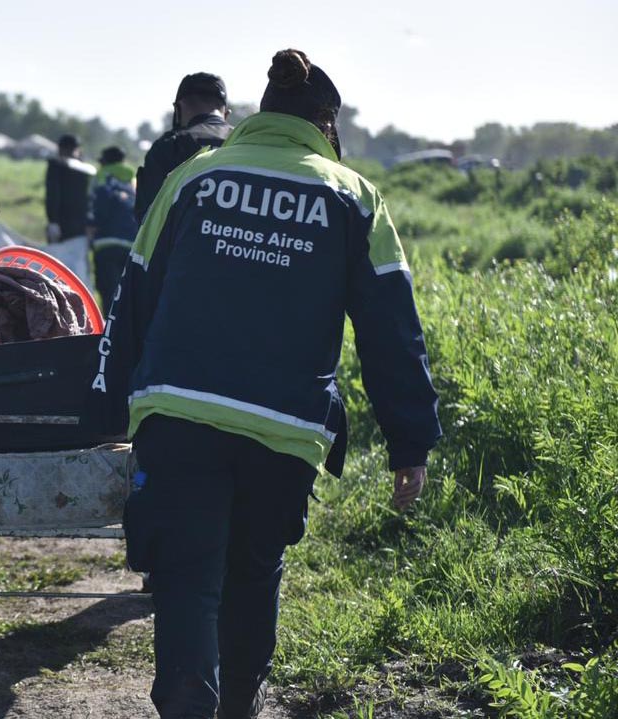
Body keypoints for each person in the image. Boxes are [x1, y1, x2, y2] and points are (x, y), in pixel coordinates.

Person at [90, 49, 441, 718]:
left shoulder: (195, 175)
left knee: (187, 574)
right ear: (326, 124)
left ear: (263, 112)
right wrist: (410, 441)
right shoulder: (352, 197)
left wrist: (106, 406)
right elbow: (392, 327)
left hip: (179, 413)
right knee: (253, 571)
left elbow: (133, 294)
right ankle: (241, 702)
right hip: (284, 425)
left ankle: (190, 697)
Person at [133, 72, 233, 221]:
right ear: (226, 113)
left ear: (178, 109)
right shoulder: (248, 144)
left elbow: (147, 217)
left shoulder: (168, 147)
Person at [87, 146, 140, 304]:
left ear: (104, 162)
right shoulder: (133, 178)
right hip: (132, 242)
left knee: (107, 291)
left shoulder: (101, 176)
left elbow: (94, 207)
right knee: (126, 294)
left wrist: (90, 231)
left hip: (106, 242)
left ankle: (108, 327)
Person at [45, 133, 95, 243]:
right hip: (80, 223)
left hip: (62, 222)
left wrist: (53, 220)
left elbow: (52, 194)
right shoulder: (85, 169)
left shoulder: (56, 166)